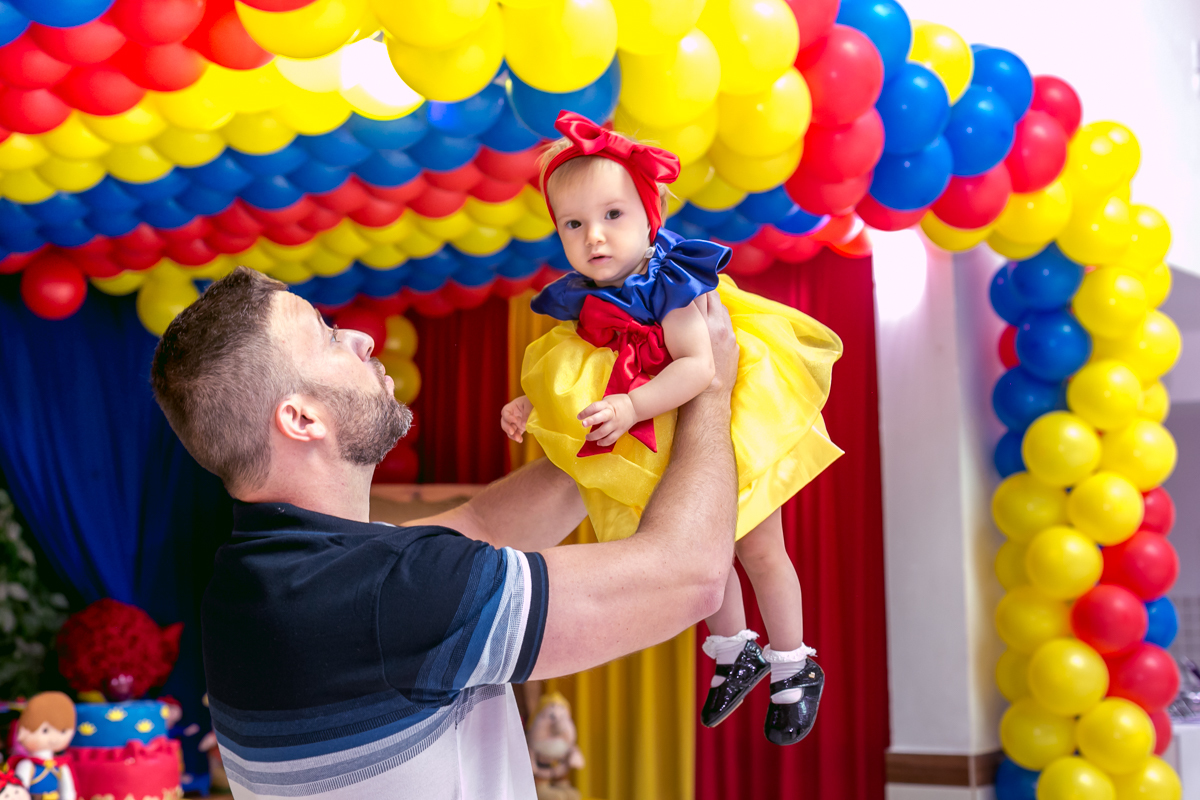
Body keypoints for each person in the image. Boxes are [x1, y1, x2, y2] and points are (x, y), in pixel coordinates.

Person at [150, 257, 740, 798]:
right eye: (328, 337)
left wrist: (617, 418)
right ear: (302, 419)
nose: (359, 336)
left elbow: (481, 524)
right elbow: (688, 576)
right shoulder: (388, 595)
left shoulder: (255, 581)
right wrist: (710, 387)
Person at [501, 112, 844, 745]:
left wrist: (631, 409)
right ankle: (734, 649)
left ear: (649, 215)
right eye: (573, 224)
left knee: (761, 549)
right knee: (699, 553)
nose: (593, 237)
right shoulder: (584, 298)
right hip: (675, 449)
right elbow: (577, 369)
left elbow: (699, 367)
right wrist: (530, 403)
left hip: (724, 431)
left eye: (612, 216)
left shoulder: (673, 282)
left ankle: (793, 662)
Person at [9, 692, 76, 800]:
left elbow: (68, 791)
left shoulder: (61, 766)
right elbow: (19, 792)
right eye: (45, 730)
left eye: (63, 731)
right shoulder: (27, 765)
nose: (54, 738)